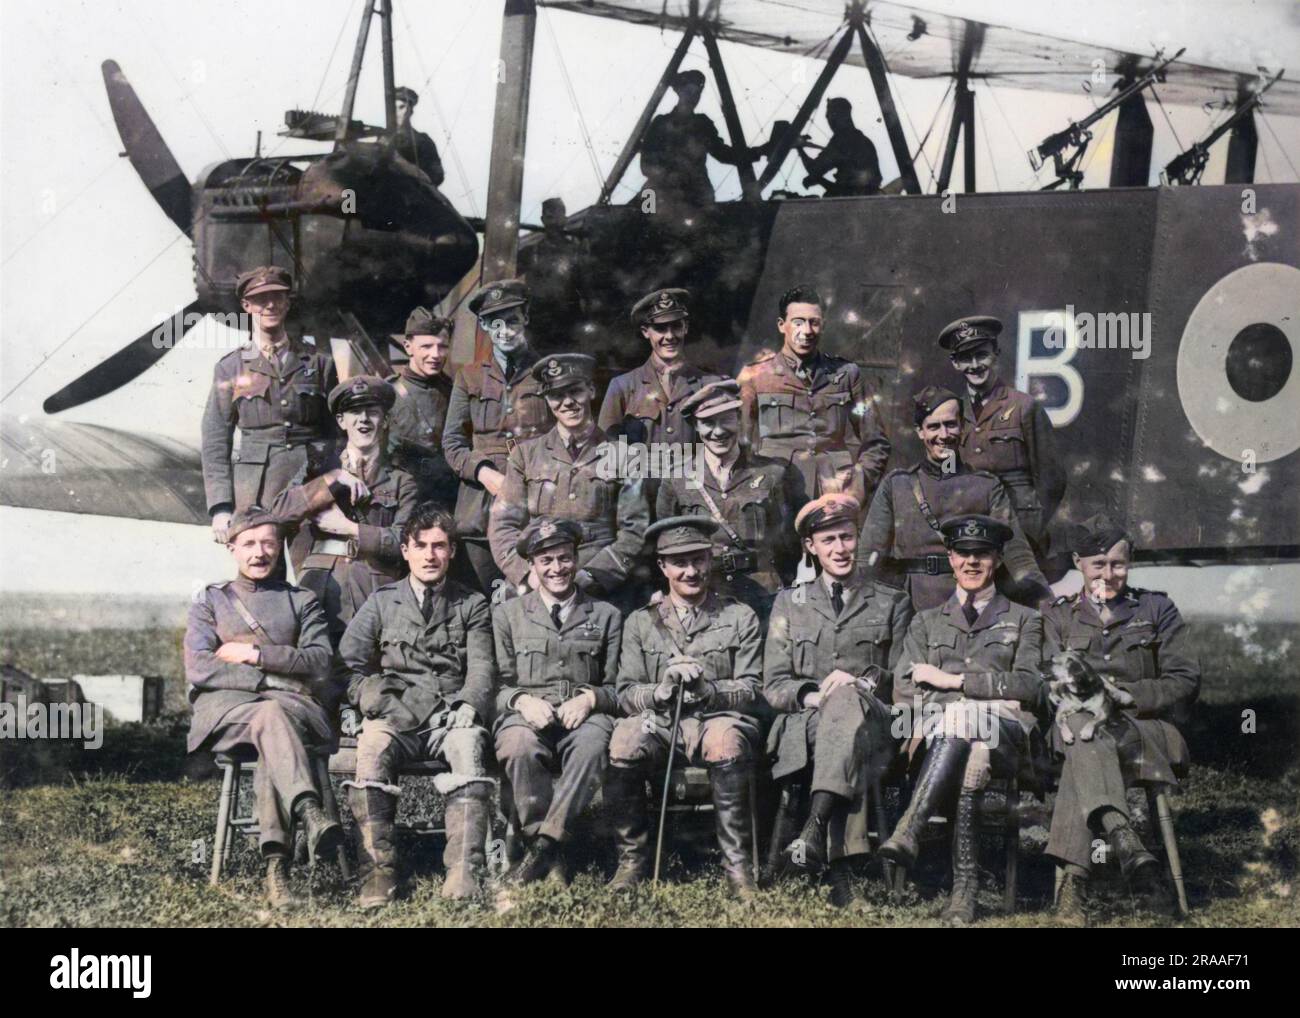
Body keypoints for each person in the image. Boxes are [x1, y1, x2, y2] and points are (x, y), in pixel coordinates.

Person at [880, 514, 1045, 926]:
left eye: (982, 554)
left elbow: (1029, 687)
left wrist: (952, 681)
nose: (972, 562)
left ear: (998, 559)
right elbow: (905, 690)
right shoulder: (925, 621)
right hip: (942, 740)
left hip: (1006, 738)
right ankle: (964, 893)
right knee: (971, 751)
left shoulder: (1025, 619)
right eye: (963, 553)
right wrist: (974, 694)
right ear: (950, 558)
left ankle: (910, 829)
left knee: (964, 713)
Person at [1042, 515, 1200, 923]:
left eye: (1118, 564)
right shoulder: (1058, 616)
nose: (1108, 574)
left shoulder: (1156, 608)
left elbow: (1185, 678)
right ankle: (1125, 840)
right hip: (1075, 725)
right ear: (1079, 563)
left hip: (1144, 731)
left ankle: (1071, 885)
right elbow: (1044, 683)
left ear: (1129, 564)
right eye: (1098, 564)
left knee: (1083, 745)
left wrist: (1131, 695)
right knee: (1081, 733)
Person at [183, 506, 340, 910]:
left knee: (273, 725)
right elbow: (199, 666)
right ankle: (308, 810)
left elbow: (321, 661)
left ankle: (276, 867)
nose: (259, 552)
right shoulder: (210, 601)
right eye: (249, 543)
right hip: (228, 714)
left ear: (280, 547)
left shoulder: (301, 600)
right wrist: (269, 679)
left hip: (293, 712)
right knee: (270, 717)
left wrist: (254, 654)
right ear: (233, 548)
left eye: (268, 542)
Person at [337, 506, 496, 906]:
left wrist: (469, 706)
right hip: (395, 717)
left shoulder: (471, 604)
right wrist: (365, 698)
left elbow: (481, 668)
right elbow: (346, 666)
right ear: (405, 551)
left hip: (449, 717)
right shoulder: (382, 602)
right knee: (372, 746)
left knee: (468, 744)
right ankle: (377, 872)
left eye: (439, 546)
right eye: (420, 546)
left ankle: (464, 871)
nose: (430, 556)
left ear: (452, 551)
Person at [763, 493, 911, 905]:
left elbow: (903, 678)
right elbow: (773, 684)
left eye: (847, 537)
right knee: (841, 719)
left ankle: (815, 828)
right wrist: (813, 695)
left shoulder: (892, 600)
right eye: (828, 540)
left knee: (848, 706)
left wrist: (861, 684)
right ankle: (839, 872)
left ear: (858, 538)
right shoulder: (789, 602)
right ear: (810, 546)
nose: (840, 549)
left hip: (874, 725)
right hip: (804, 726)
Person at [606, 516, 765, 897]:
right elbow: (625, 692)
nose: (691, 571)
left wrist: (710, 690)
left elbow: (753, 688)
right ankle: (632, 862)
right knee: (625, 739)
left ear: (711, 560)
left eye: (699, 560)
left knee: (725, 739)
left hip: (718, 718)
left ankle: (737, 868)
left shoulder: (738, 616)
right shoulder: (640, 623)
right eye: (680, 563)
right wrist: (659, 692)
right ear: (663, 567)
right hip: (659, 722)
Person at [492, 518, 623, 886]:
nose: (557, 569)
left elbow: (618, 687)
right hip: (526, 714)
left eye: (564, 558)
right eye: (546, 561)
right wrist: (521, 701)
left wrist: (590, 698)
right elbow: (496, 686)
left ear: (576, 559)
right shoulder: (507, 615)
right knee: (518, 745)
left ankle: (543, 849)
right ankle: (548, 851)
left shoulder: (606, 615)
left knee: (594, 745)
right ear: (532, 566)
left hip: (583, 716)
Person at [859, 385, 1051, 611]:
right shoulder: (897, 485)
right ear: (920, 431)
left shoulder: (986, 486)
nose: (943, 435)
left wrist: (1046, 602)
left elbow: (1017, 554)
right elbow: (868, 556)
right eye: (933, 427)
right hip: (913, 604)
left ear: (962, 427)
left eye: (951, 425)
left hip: (972, 602)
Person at [487, 353, 650, 603]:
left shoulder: (624, 455)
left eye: (575, 391)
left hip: (601, 580)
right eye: (556, 395)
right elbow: (503, 524)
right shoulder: (526, 454)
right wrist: (526, 574)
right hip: (537, 578)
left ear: (591, 390)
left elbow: (634, 529)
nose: (568, 402)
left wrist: (595, 576)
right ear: (547, 400)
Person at [272, 376, 418, 646]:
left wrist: (349, 528)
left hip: (375, 593)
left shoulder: (401, 481)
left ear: (384, 421)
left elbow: (406, 544)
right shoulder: (318, 471)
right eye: (354, 412)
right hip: (321, 590)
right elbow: (279, 512)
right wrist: (333, 478)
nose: (363, 420)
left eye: (372, 412)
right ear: (341, 421)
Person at [200, 265, 336, 546]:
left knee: (315, 575)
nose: (270, 305)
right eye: (261, 299)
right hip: (255, 493)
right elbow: (215, 438)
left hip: (310, 485)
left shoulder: (319, 363)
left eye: (278, 296)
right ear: (247, 306)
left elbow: (337, 432)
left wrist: (336, 485)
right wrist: (221, 506)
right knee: (262, 574)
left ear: (288, 303)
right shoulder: (230, 367)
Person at [655, 378, 804, 620]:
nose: (719, 431)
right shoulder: (676, 480)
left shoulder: (772, 474)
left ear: (738, 418)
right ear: (695, 426)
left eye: (726, 419)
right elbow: (665, 545)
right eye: (708, 423)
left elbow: (788, 545)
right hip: (703, 594)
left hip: (762, 593)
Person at [443, 279, 554, 594]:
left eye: (513, 321)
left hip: (534, 507)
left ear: (526, 318)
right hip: (479, 512)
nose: (505, 331)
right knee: (477, 598)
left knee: (532, 598)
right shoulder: (469, 375)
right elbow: (452, 443)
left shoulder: (546, 373)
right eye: (496, 323)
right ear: (484, 326)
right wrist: (484, 473)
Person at [737, 285, 890, 509]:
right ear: (782, 325)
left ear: (823, 325)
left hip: (833, 496)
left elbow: (876, 441)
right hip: (777, 498)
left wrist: (860, 482)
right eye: (798, 322)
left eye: (814, 322)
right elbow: (737, 444)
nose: (807, 331)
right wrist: (751, 490)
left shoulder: (846, 374)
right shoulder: (756, 377)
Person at [939, 315, 1065, 559]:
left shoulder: (1024, 407)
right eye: (965, 358)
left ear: (996, 352)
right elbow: (947, 473)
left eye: (981, 354)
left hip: (1020, 532)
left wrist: (1034, 524)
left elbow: (1053, 478)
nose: (975, 365)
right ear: (955, 363)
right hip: (971, 536)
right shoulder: (951, 412)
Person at [598, 288, 716, 448]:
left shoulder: (710, 385)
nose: (670, 336)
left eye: (676, 326)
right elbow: (606, 449)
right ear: (646, 332)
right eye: (660, 328)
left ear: (685, 327)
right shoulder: (622, 387)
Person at [639, 69, 767, 209]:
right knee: (647, 202)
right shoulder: (660, 123)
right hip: (664, 193)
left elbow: (723, 154)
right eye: (689, 92)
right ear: (679, 92)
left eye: (697, 94)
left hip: (695, 194)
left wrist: (759, 152)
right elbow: (645, 165)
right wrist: (670, 176)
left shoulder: (702, 123)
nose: (693, 98)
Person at [388, 306, 458, 510]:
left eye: (442, 346)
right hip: (405, 500)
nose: (435, 355)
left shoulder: (454, 392)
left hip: (448, 499)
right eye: (426, 346)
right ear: (408, 347)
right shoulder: (388, 393)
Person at [516, 197, 586, 351]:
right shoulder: (530, 252)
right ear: (542, 220)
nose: (554, 222)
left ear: (565, 219)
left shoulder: (577, 252)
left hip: (568, 325)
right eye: (549, 217)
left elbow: (587, 288)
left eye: (558, 217)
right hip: (538, 325)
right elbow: (506, 273)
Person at [798, 98, 881, 196]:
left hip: (851, 203)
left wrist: (799, 148)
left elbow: (815, 169)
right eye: (828, 117)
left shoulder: (842, 140)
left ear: (845, 116)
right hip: (866, 199)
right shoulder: (864, 140)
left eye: (833, 116)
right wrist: (818, 179)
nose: (830, 121)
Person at [391, 85, 445, 187]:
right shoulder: (381, 139)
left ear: (411, 110)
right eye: (393, 108)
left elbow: (437, 176)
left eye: (402, 107)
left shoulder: (423, 141)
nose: (397, 113)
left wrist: (405, 166)